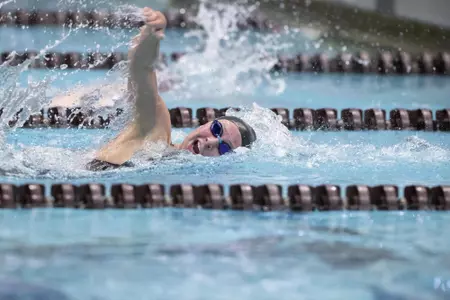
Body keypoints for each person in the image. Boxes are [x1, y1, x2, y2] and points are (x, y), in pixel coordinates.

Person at [86, 7, 257, 171]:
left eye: (225, 148)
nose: (211, 141)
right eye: (216, 129)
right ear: (207, 122)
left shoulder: (171, 162)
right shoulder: (157, 132)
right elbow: (143, 77)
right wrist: (150, 42)